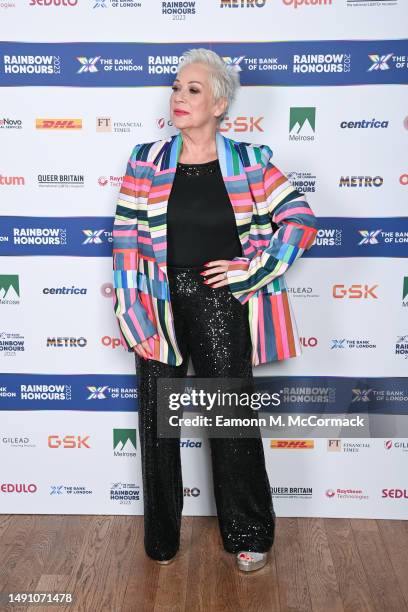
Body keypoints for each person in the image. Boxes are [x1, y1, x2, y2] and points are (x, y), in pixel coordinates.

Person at [112, 48, 318, 572]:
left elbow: (299, 220)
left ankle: (249, 534)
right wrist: (132, 316)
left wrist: (249, 270)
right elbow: (125, 247)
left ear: (220, 102)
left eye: (194, 89)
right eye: (177, 87)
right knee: (158, 425)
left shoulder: (249, 162)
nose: (179, 97)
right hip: (154, 304)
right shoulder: (145, 161)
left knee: (230, 422)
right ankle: (161, 539)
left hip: (221, 303)